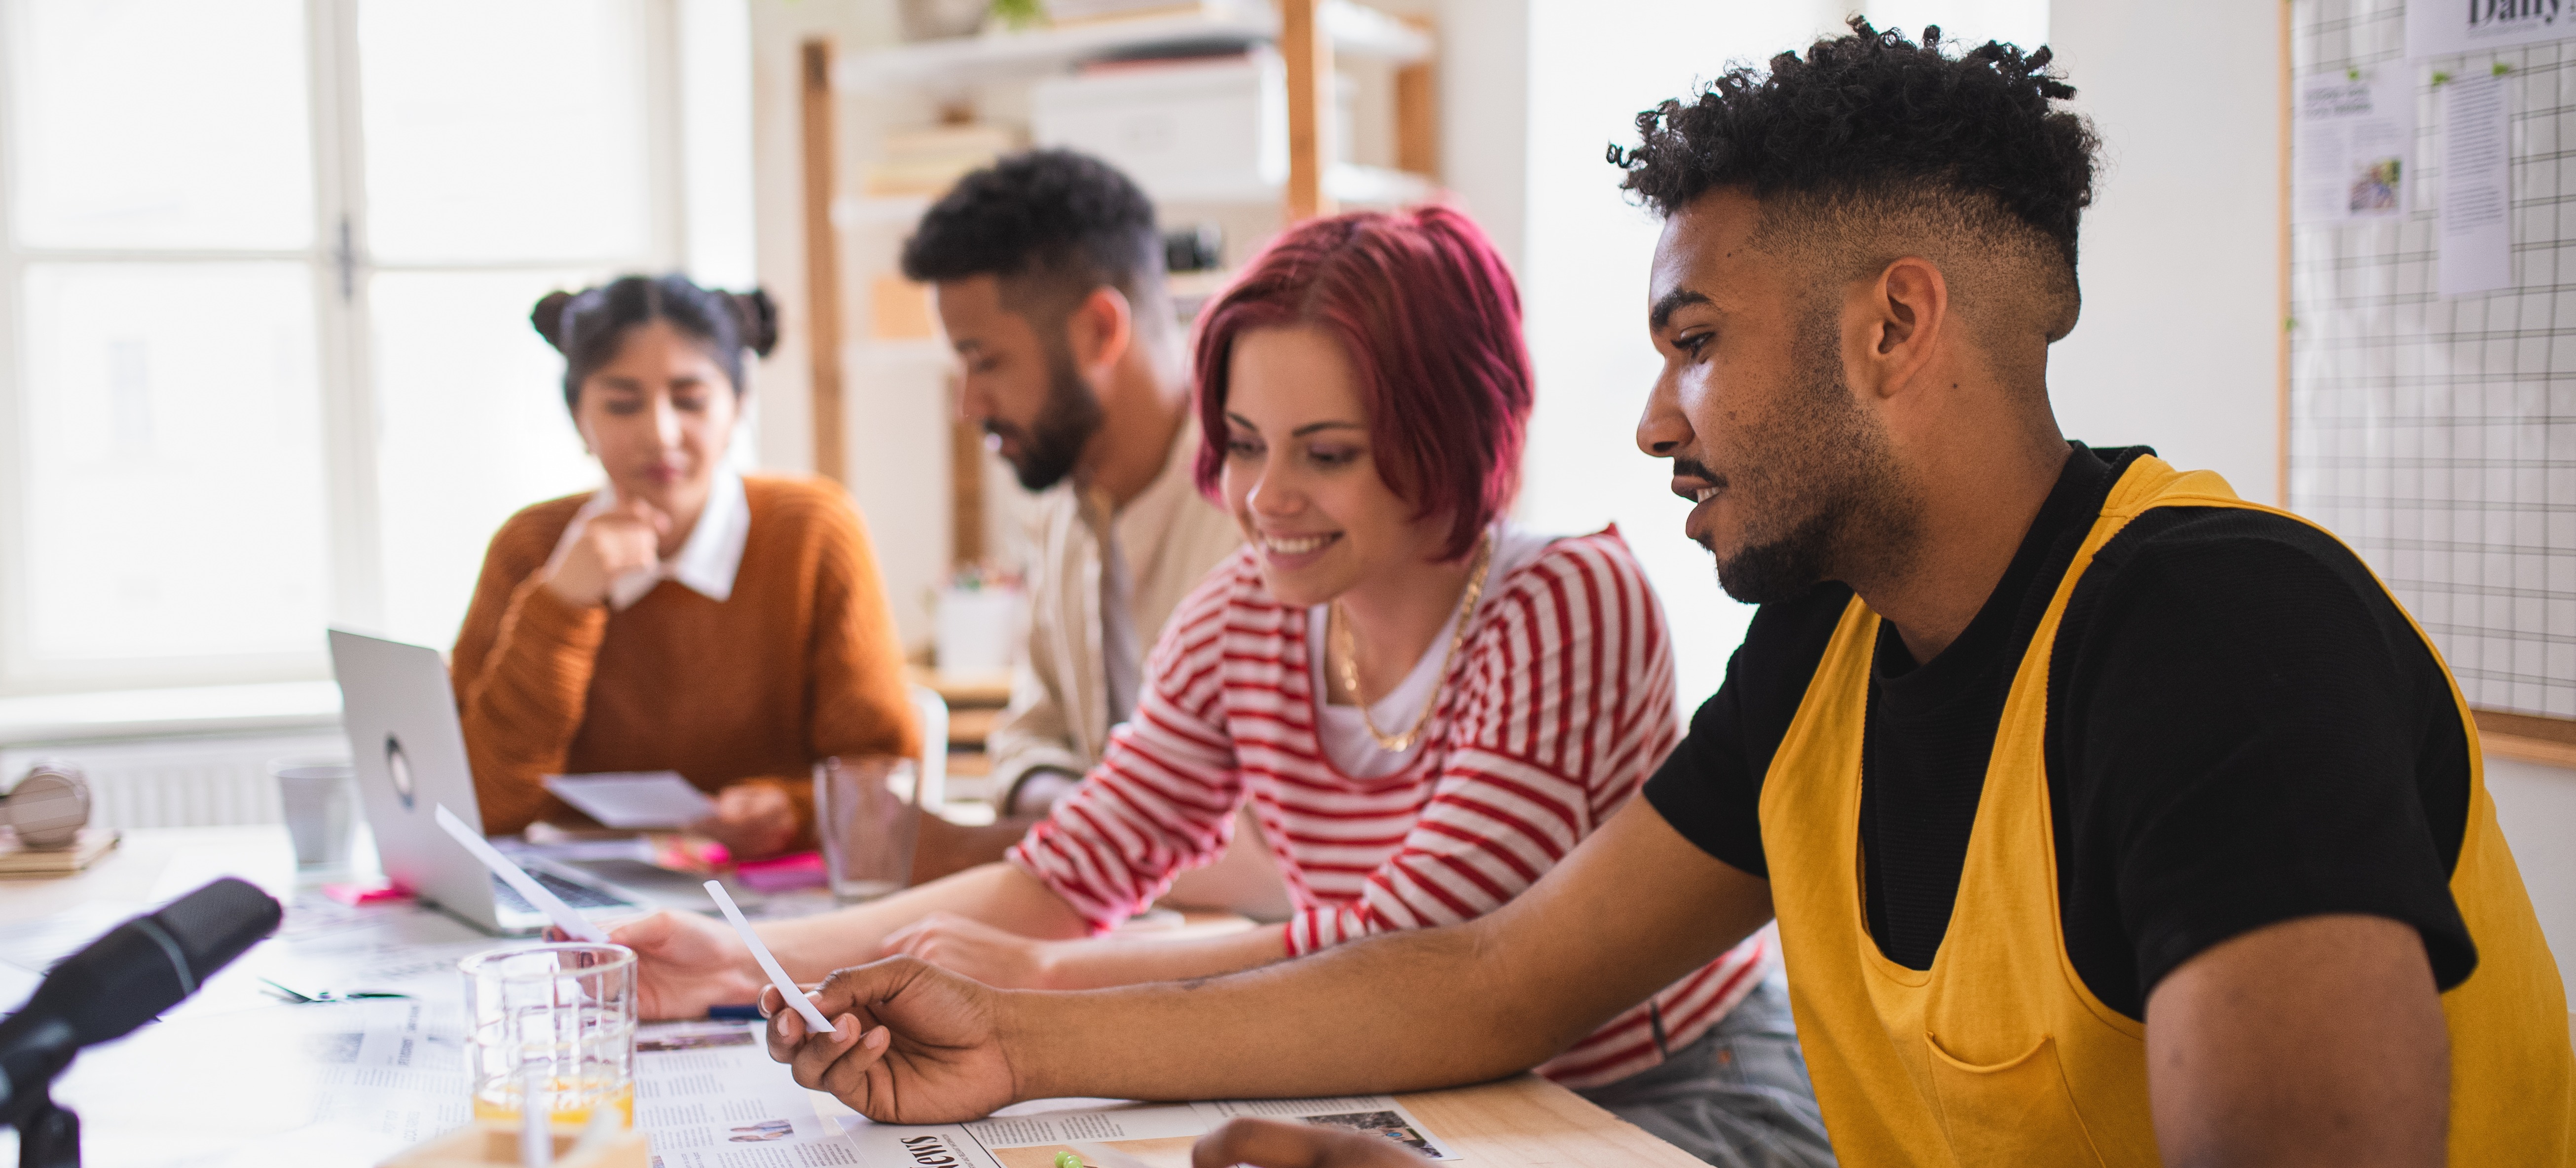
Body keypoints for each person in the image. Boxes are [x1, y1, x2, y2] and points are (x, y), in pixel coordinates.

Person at [753, 22, 2576, 1168]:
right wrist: (1023, 1038)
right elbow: (1488, 979)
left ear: (1890, 327)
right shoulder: (1828, 646)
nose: (1643, 416)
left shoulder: (2214, 634)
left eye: (1692, 344)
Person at [614, 206, 1818, 1164]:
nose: (1263, 500)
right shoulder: (1251, 609)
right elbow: (1064, 869)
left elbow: (1415, 945)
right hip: (1413, 1081)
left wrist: (1035, 991)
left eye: (1327, 453)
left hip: (1661, 1093)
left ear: (1458, 432)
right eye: (1244, 443)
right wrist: (735, 961)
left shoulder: (1565, 601)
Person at [895, 150, 1268, 908]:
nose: (968, 403)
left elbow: (1273, 857)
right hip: (1107, 934)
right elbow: (1030, 733)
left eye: (985, 360)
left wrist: (1052, 835)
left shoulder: (1268, 516)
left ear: (1100, 330)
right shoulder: (1065, 505)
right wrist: (1070, 810)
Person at [452, 275, 920, 859]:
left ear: (738, 409)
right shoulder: (529, 547)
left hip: (768, 903)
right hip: (578, 913)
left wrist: (791, 808)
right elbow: (481, 807)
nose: (661, 434)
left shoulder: (813, 530)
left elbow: (880, 780)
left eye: (691, 400)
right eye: (622, 404)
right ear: (579, 419)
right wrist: (561, 604)